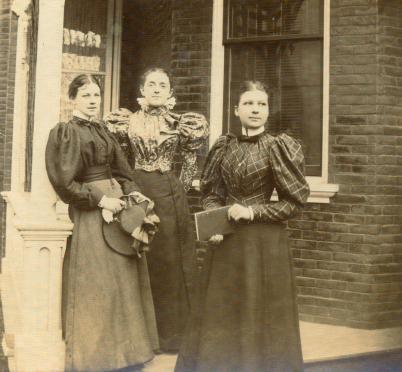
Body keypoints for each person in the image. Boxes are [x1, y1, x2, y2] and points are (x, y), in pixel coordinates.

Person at [175, 80, 310, 372]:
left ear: (268, 110)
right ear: (236, 109)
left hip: (264, 245)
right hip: (227, 243)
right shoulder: (224, 146)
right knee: (222, 313)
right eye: (249, 103)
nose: (255, 109)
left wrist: (252, 211)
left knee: (259, 313)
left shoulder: (277, 147)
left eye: (261, 104)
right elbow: (211, 193)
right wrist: (214, 222)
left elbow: (294, 202)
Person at [45, 74, 158, 371]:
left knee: (123, 282)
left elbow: (123, 170)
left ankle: (127, 356)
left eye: (96, 95)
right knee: (97, 285)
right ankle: (96, 359)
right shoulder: (66, 133)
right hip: (91, 212)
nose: (93, 100)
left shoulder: (105, 131)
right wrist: (100, 200)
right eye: (86, 95)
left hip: (118, 209)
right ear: (73, 99)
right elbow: (64, 183)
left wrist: (132, 194)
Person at [104, 67, 209, 352]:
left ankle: (173, 335)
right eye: (151, 84)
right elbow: (122, 162)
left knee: (172, 259)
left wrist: (179, 191)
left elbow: (189, 163)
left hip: (170, 194)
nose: (157, 89)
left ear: (171, 92)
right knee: (142, 256)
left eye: (163, 85)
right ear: (142, 91)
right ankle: (142, 336)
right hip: (139, 189)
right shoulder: (126, 122)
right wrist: (129, 191)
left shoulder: (181, 124)